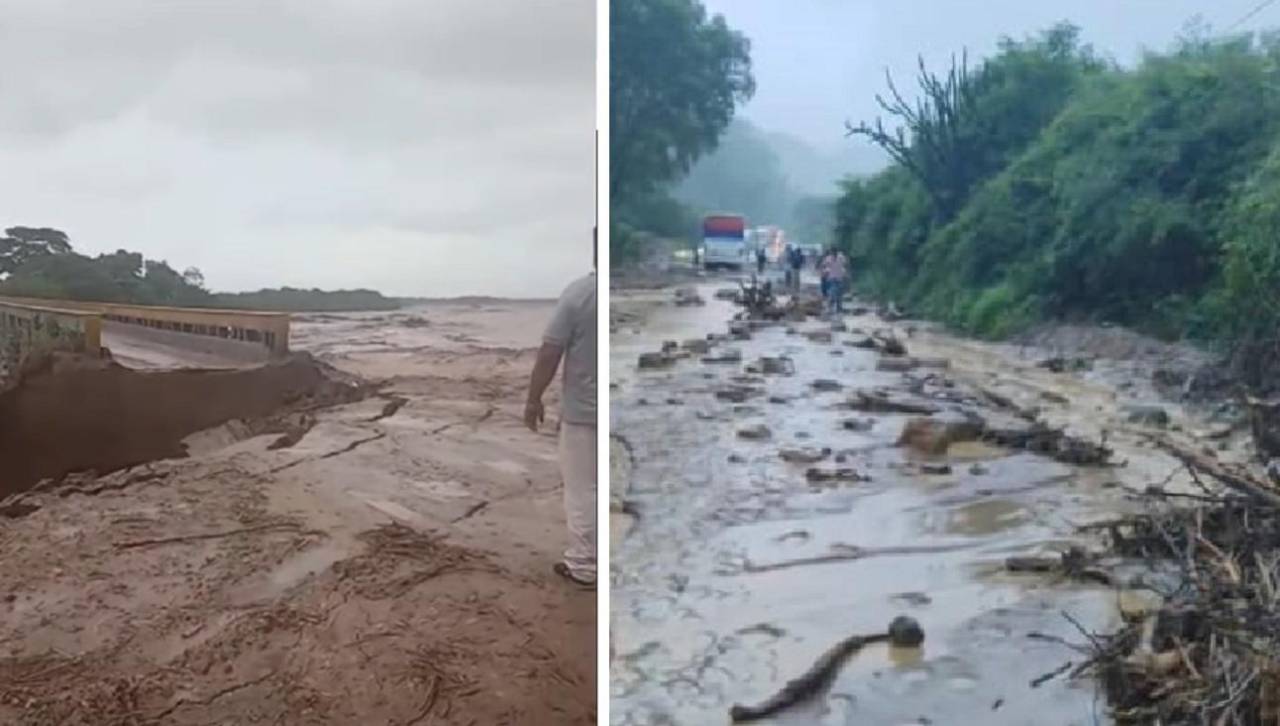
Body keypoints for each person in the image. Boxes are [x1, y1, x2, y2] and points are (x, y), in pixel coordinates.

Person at [525, 230, 598, 589]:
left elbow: (550, 351)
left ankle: (585, 565)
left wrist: (533, 398)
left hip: (583, 415)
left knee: (582, 489)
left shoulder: (580, 294)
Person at [822, 248, 849, 315]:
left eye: (834, 253)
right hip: (832, 278)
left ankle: (838, 309)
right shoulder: (828, 258)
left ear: (836, 252)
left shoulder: (841, 257)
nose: (833, 254)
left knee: (839, 294)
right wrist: (825, 272)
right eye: (832, 253)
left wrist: (845, 273)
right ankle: (830, 308)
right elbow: (824, 266)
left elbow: (846, 265)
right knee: (832, 293)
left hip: (840, 278)